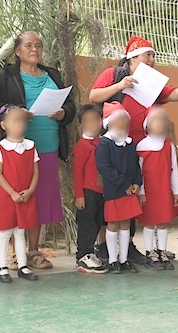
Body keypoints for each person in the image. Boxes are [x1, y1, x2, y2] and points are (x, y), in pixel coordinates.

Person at [89, 34, 178, 264]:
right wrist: (120, 85)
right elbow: (93, 95)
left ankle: (129, 245)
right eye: (148, 54)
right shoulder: (114, 74)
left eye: (154, 55)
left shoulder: (153, 81)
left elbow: (173, 93)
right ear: (133, 58)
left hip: (137, 149)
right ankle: (104, 245)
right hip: (113, 145)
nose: (152, 59)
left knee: (133, 197)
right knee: (111, 196)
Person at [0, 31, 76, 270]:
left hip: (47, 147)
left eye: (38, 45)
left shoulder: (52, 74)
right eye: (28, 45)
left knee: (39, 200)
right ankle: (16, 254)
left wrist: (64, 112)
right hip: (16, 151)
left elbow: (70, 105)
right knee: (17, 197)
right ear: (17, 51)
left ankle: (34, 252)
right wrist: (14, 111)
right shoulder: (7, 76)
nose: (34, 49)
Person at [0, 105, 40, 283]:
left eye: (22, 120)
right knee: (5, 232)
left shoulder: (31, 146)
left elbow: (35, 172)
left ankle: (22, 265)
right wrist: (12, 192)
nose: (20, 124)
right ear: (4, 125)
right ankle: (3, 266)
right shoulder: (1, 148)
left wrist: (30, 191)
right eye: (15, 120)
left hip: (25, 196)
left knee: (20, 231)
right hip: (7, 197)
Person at [95, 102, 143, 274]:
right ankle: (113, 260)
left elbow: (136, 166)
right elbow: (105, 168)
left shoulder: (130, 144)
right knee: (113, 223)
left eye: (125, 121)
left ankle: (124, 260)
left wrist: (137, 183)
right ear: (109, 123)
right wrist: (125, 185)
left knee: (126, 223)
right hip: (115, 192)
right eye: (119, 121)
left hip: (129, 192)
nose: (123, 125)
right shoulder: (104, 144)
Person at [137, 107, 178, 271]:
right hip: (149, 193)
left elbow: (174, 169)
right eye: (157, 120)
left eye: (164, 120)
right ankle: (150, 253)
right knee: (149, 223)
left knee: (162, 223)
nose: (161, 123)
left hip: (164, 191)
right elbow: (139, 172)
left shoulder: (168, 146)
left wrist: (176, 191)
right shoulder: (142, 146)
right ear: (148, 125)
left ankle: (162, 251)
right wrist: (141, 192)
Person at [72, 104, 107, 274]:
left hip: (102, 191)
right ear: (81, 125)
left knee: (98, 221)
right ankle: (83, 254)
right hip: (88, 191)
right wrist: (79, 195)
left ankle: (93, 252)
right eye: (88, 121)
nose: (93, 124)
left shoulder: (104, 142)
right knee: (87, 223)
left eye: (96, 120)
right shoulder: (82, 146)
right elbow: (77, 172)